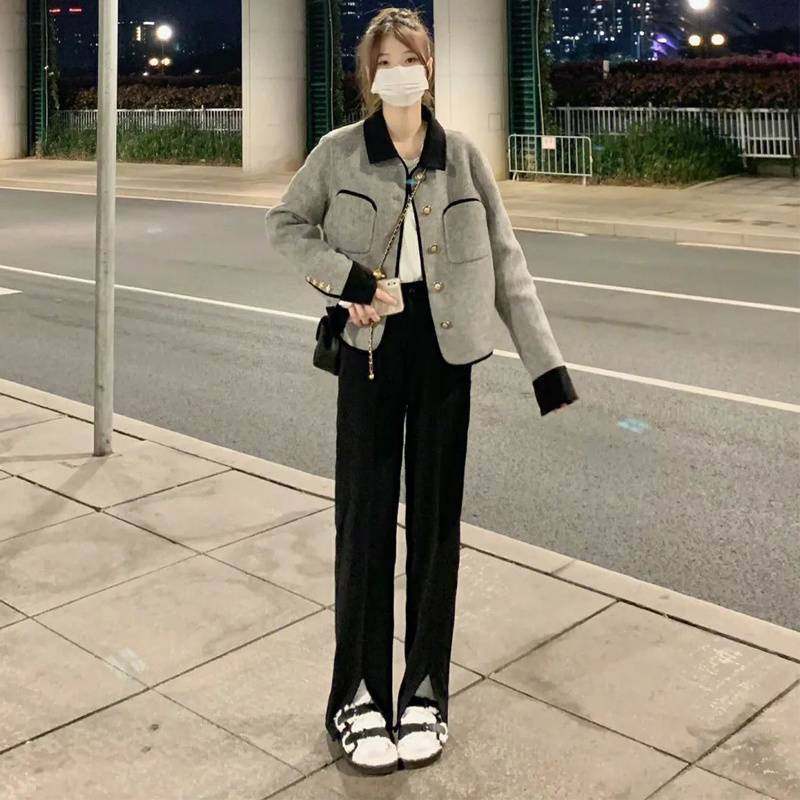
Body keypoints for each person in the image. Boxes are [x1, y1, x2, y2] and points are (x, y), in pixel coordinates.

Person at [265, 6, 578, 775]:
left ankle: (425, 694)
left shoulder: (462, 158)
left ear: (428, 69)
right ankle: (357, 696)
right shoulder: (339, 153)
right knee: (364, 526)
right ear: (368, 77)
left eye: (411, 58)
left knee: (436, 532)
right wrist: (346, 281)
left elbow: (506, 263)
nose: (400, 72)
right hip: (371, 354)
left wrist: (547, 367)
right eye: (386, 61)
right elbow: (287, 225)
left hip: (446, 359)